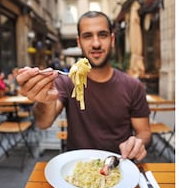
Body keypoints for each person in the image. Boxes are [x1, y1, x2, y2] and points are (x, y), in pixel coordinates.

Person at [16, 11, 151, 161]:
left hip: (119, 165)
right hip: (77, 169)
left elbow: (144, 132)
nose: (96, 44)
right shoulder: (67, 82)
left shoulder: (133, 86)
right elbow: (43, 123)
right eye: (87, 36)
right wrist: (45, 100)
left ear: (112, 40)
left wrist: (138, 143)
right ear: (79, 42)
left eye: (103, 35)